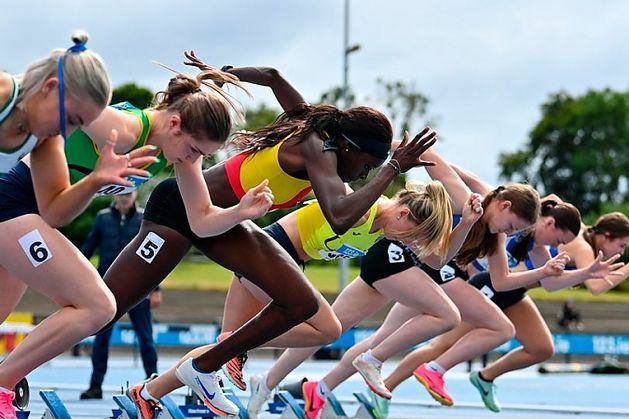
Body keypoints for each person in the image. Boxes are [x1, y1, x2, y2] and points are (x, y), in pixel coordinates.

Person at [101, 61, 437, 417]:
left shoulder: (314, 130)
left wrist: (226, 72)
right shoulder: (317, 148)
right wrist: (392, 169)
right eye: (366, 165)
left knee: (304, 308)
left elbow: (273, 77)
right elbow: (339, 217)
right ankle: (40, 348)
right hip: (180, 210)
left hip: (227, 224)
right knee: (104, 309)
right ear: (349, 146)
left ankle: (204, 366)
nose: (363, 174)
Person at [0, 31, 158, 418]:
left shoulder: (45, 138)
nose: (68, 133)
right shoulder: (3, 93)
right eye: (71, 119)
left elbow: (54, 213)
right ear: (51, 87)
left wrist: (94, 180)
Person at [379, 166, 624, 414]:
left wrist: (582, 272)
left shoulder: (542, 242)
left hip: (512, 291)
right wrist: (429, 161)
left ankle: (484, 378)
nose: (559, 247)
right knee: (443, 345)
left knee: (541, 347)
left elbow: (549, 283)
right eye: (622, 245)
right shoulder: (565, 238)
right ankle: (387, 386)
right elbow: (593, 287)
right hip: (484, 284)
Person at [245, 189, 483, 419]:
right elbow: (335, 186)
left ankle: (267, 383)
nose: (410, 241)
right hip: (386, 261)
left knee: (329, 330)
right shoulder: (383, 212)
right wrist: (394, 156)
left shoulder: (400, 224)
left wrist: (466, 223)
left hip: (380, 258)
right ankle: (371, 360)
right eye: (511, 226)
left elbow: (437, 261)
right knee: (447, 316)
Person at [79, 192, 160, 400]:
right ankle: (95, 385)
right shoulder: (102, 217)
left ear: (136, 194)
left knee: (145, 337)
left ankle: (154, 385)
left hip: (138, 287)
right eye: (121, 193)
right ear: (115, 195)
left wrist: (156, 289)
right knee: (101, 339)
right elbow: (87, 249)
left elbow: (157, 256)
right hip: (106, 289)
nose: (125, 197)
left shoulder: (145, 219)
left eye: (129, 193)